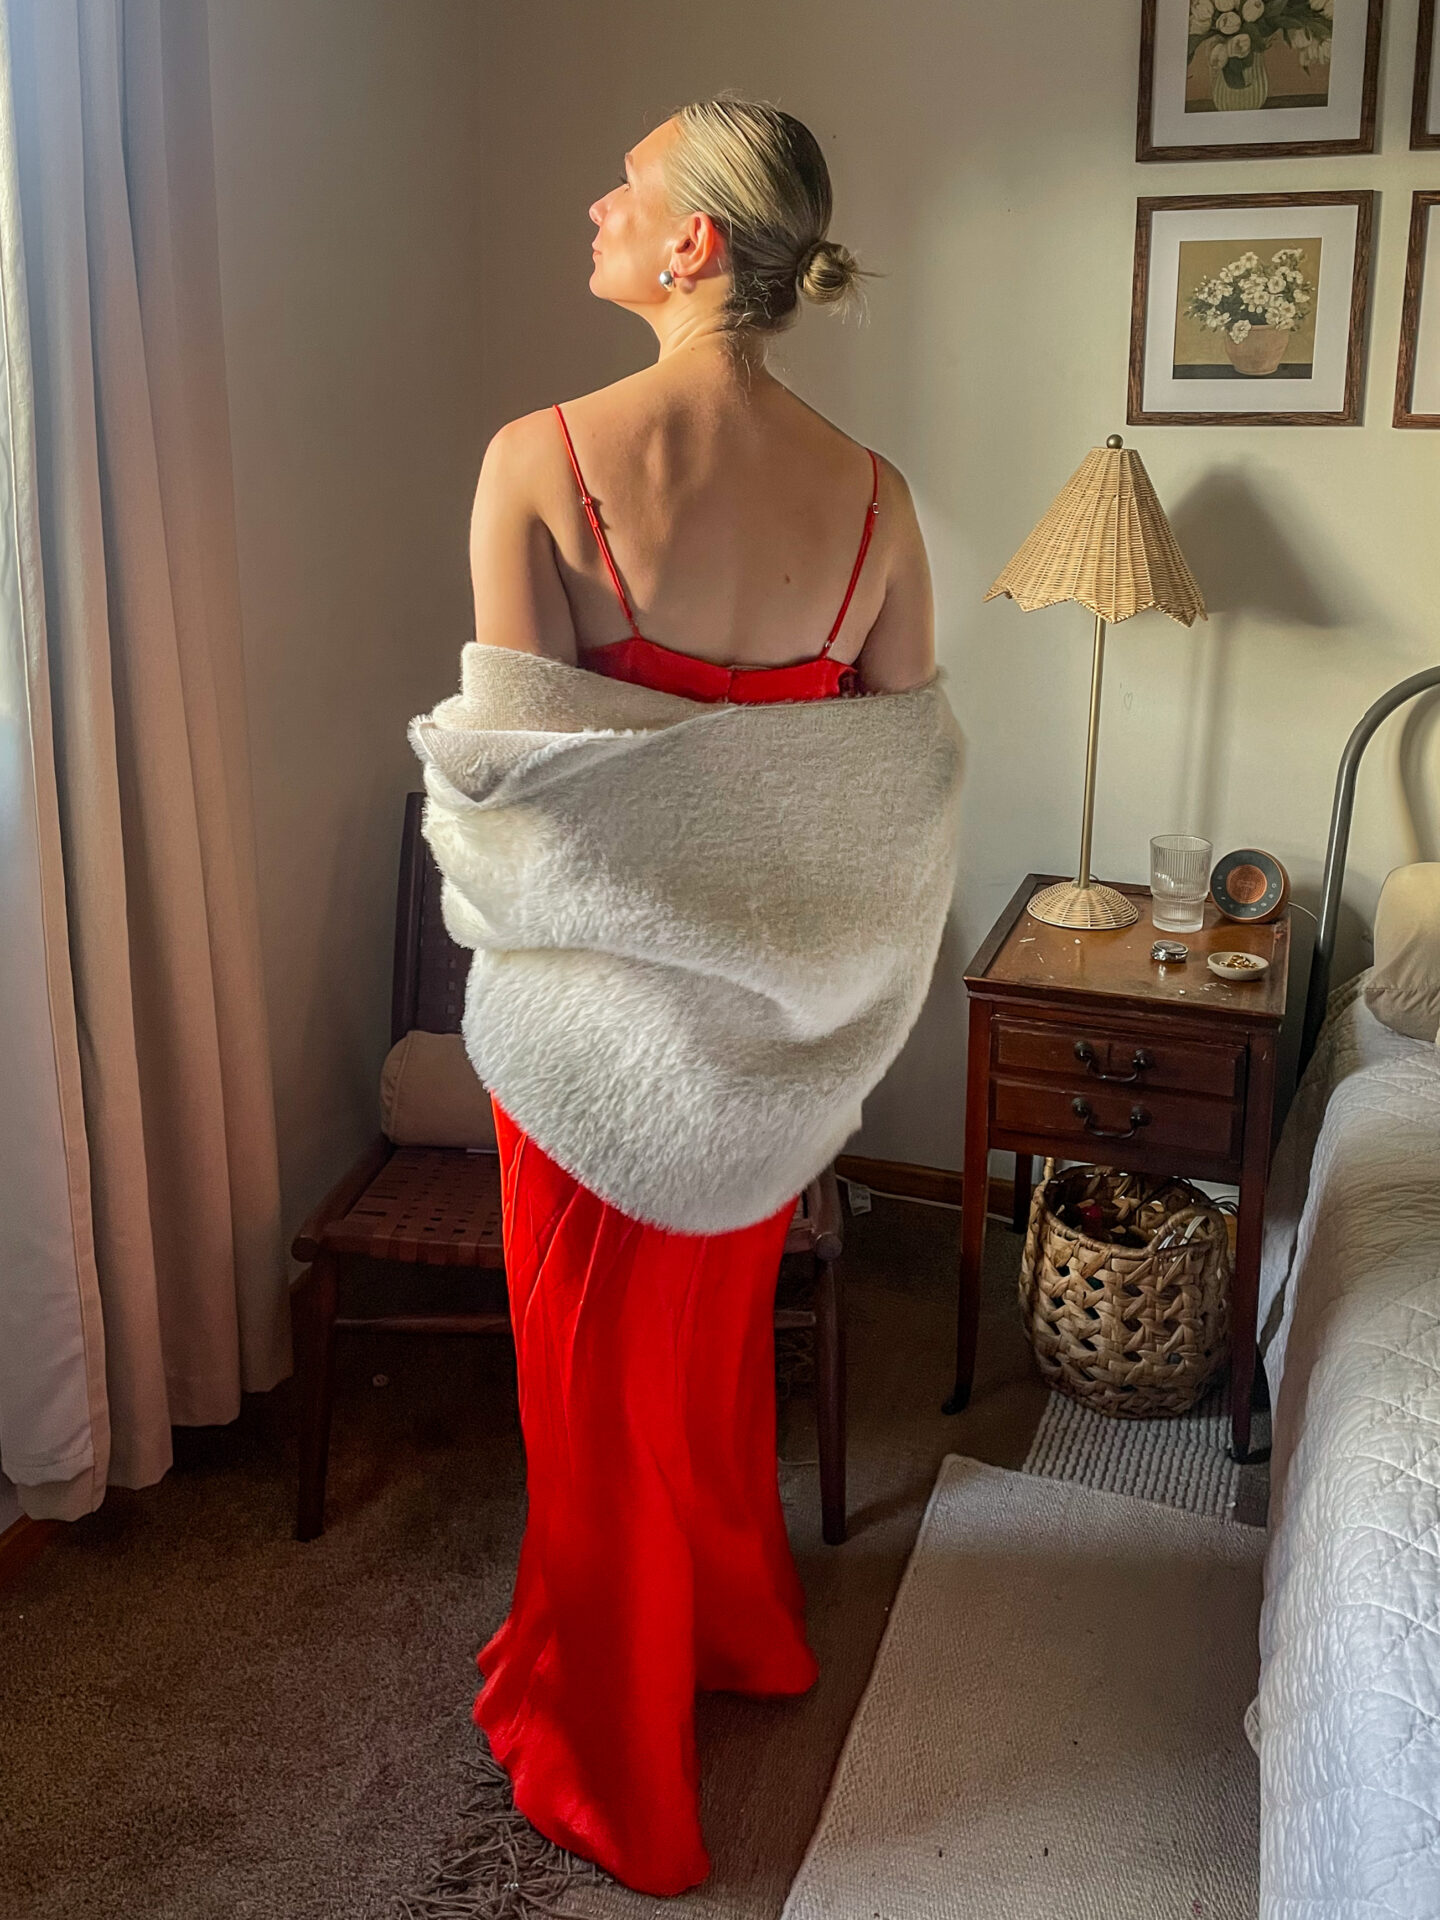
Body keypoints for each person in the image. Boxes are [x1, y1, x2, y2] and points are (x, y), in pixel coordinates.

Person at [463, 93, 936, 1896]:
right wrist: (811, 1000)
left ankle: (617, 1776)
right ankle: (746, 1636)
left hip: (587, 1050)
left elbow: (518, 800)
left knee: (589, 1399)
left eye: (628, 183)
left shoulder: (539, 454)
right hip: (757, 1056)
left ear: (694, 246)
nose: (596, 197)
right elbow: (890, 798)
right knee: (702, 1372)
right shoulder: (877, 495)